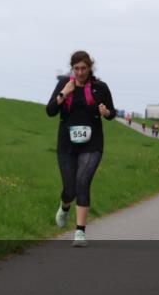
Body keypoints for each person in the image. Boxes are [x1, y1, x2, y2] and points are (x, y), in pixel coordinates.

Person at [46, 50, 116, 247]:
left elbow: (111, 112)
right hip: (66, 143)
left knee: (82, 182)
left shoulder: (100, 87)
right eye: (76, 68)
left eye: (83, 68)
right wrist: (64, 93)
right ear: (72, 68)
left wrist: (106, 112)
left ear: (90, 67)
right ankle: (65, 206)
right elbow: (50, 111)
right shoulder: (64, 84)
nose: (79, 72)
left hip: (92, 143)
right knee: (70, 188)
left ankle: (80, 232)